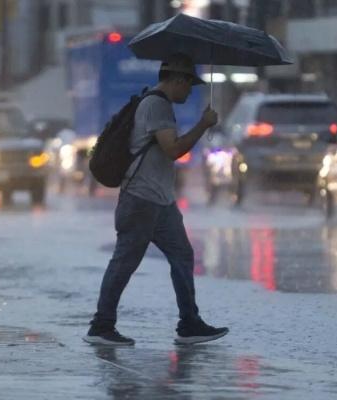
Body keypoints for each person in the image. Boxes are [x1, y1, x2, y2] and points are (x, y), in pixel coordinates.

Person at [83, 53, 229, 346]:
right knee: (125, 262)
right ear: (177, 80)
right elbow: (173, 149)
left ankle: (189, 323)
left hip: (160, 202)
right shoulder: (156, 105)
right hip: (141, 200)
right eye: (189, 85)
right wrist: (203, 125)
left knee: (182, 256)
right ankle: (101, 326)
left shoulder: (158, 105)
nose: (190, 91)